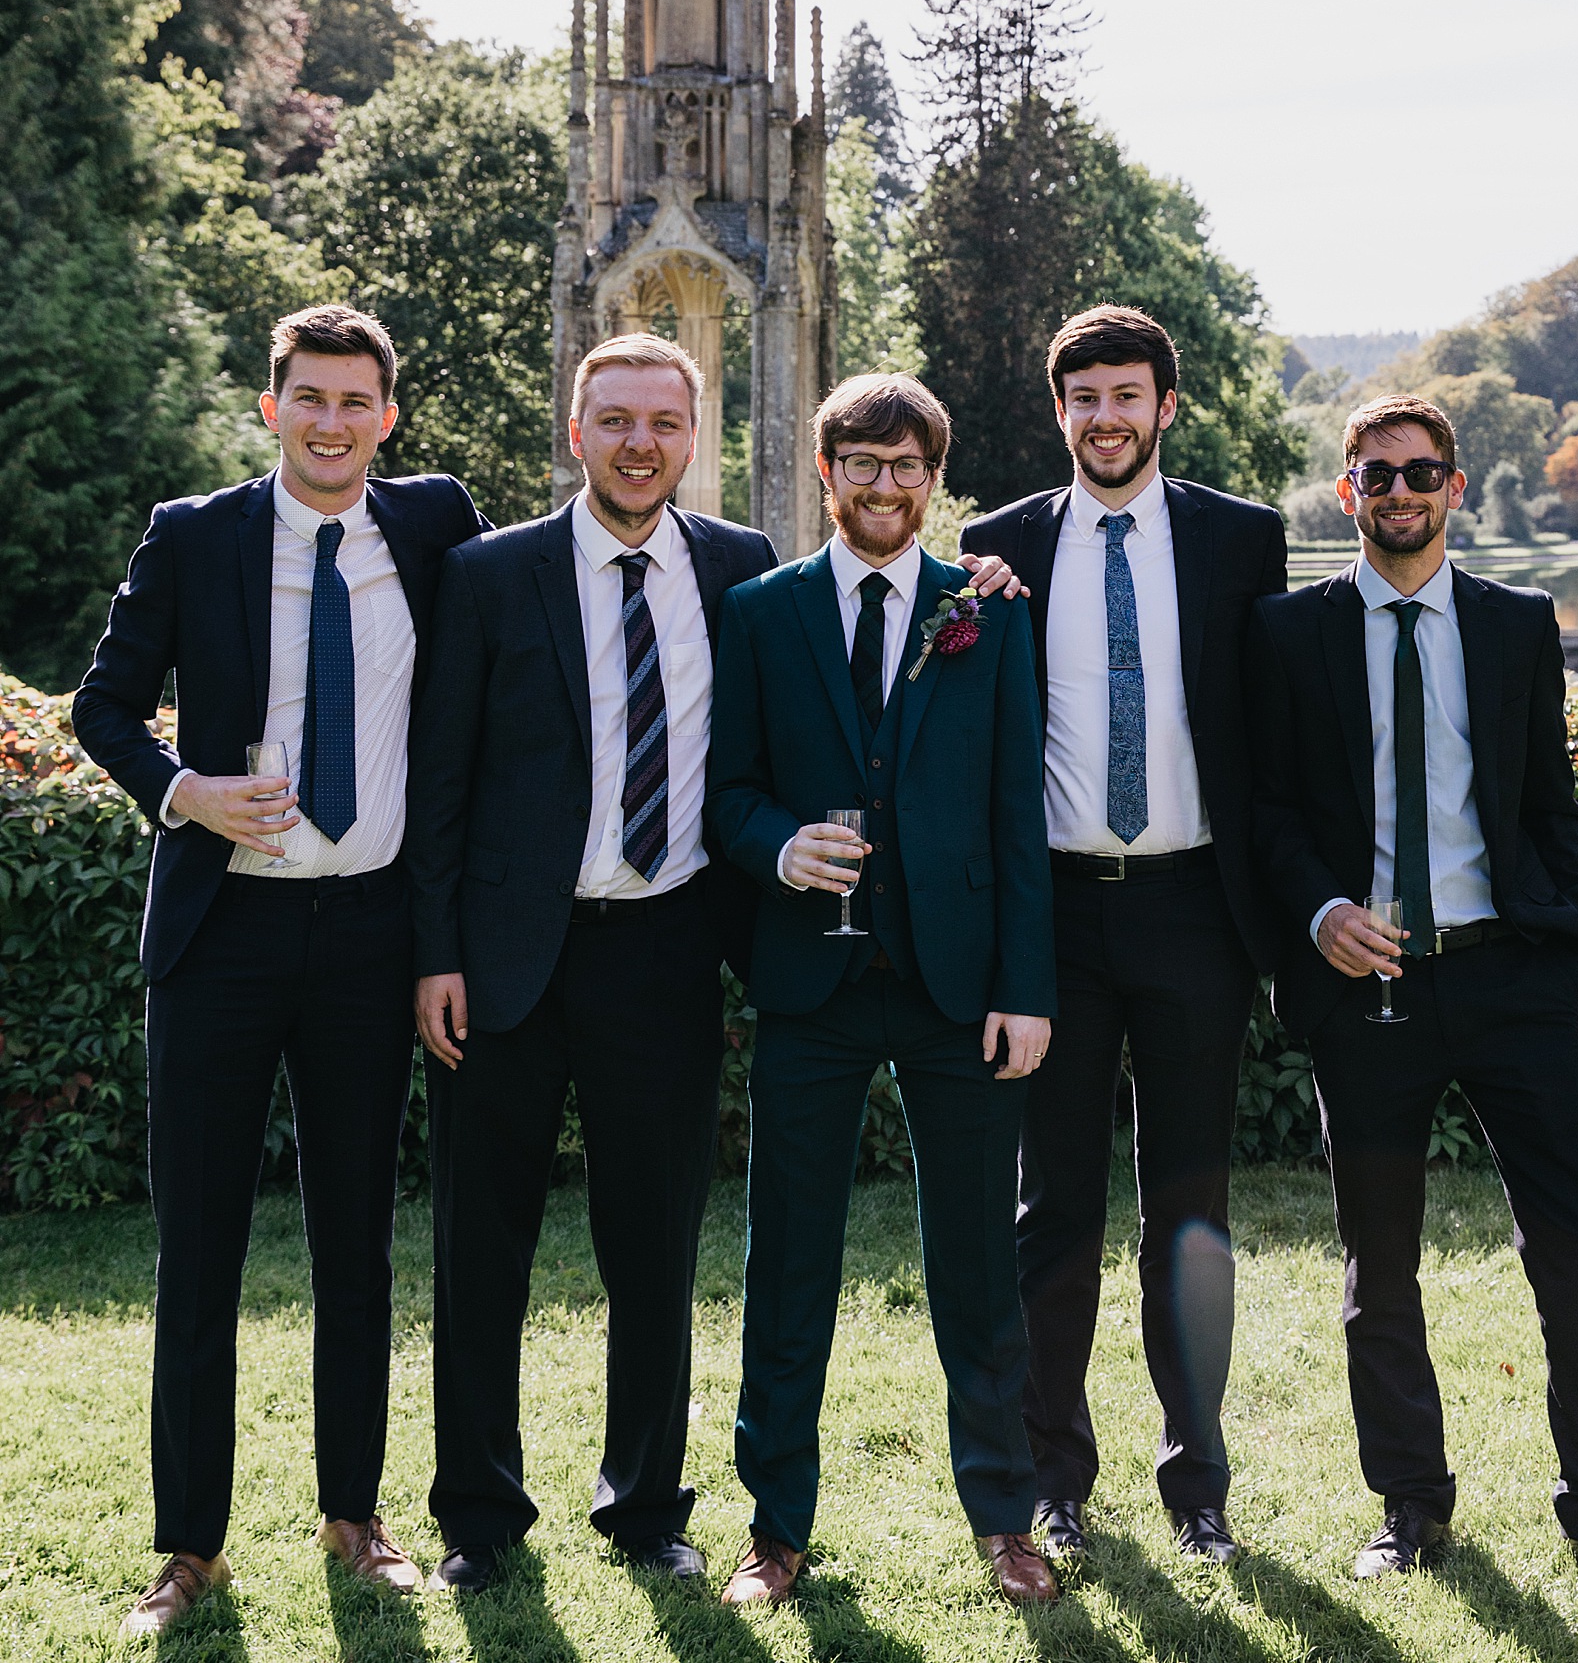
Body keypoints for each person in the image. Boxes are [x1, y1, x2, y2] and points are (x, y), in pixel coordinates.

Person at [72, 304, 487, 1636]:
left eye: (355, 400)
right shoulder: (196, 534)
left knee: (355, 1242)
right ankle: (188, 1546)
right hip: (222, 939)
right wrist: (181, 788)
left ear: (388, 416)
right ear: (272, 407)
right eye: (307, 397)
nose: (330, 420)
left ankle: (355, 1516)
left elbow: (540, 615)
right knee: (198, 1251)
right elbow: (101, 703)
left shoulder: (432, 528)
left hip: (369, 935)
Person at [1247, 394, 1578, 1614]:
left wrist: (1557, 952)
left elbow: (1544, 804)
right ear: (1345, 494)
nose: (1399, 492)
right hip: (1361, 983)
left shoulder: (1516, 622)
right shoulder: (1288, 633)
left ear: (1455, 485)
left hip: (1507, 981)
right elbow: (1269, 815)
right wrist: (1320, 912)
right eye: (1375, 476)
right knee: (1378, 1267)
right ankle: (1408, 1508)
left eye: (1420, 472)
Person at [407, 334, 776, 1593]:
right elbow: (438, 782)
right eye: (613, 421)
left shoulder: (740, 572)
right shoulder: (488, 575)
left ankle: (645, 1509)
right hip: (508, 960)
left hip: (663, 952)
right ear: (577, 432)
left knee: (653, 1247)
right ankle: (479, 1518)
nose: (638, 445)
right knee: (481, 1249)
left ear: (692, 436)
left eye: (663, 424)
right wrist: (437, 953)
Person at [708, 373, 1060, 1610]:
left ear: (932, 478)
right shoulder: (758, 612)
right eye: (858, 463)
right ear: (824, 471)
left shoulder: (987, 614)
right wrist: (774, 847)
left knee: (977, 1262)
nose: (881, 486)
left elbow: (1019, 812)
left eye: (904, 466)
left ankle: (1005, 1520)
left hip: (957, 988)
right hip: (810, 981)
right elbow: (724, 790)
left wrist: (1025, 986)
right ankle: (775, 1528)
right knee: (786, 1261)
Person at [960, 303, 1286, 1566]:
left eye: (1127, 395)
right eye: (1082, 397)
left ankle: (1194, 1481)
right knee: (1053, 1215)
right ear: (1060, 412)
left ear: (1164, 407)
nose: (1105, 417)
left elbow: (1275, 718)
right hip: (1055, 918)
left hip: (1196, 910)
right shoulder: (995, 548)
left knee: (1187, 1211)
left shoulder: (1239, 540)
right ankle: (1054, 1477)